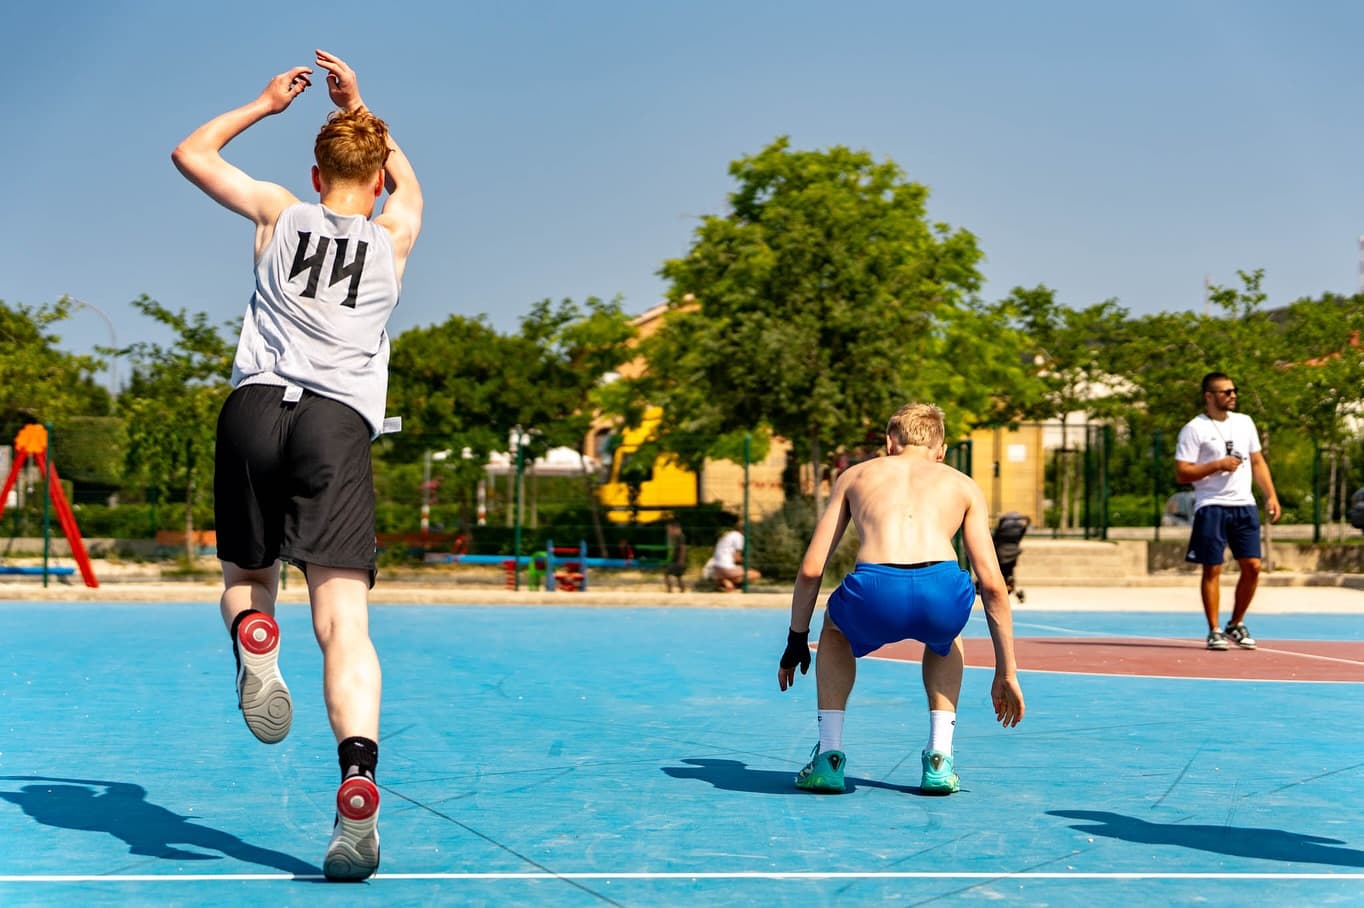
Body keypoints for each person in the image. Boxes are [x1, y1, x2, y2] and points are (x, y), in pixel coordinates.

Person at [172, 49, 423, 881]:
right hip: (336, 424)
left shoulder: (279, 211)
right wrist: (365, 105)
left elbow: (191, 153)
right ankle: (356, 775)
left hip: (253, 408)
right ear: (377, 179)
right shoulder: (395, 234)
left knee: (249, 575)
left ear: (316, 173)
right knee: (343, 623)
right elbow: (410, 189)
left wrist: (263, 104)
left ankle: (252, 636)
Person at [777, 403, 1024, 795]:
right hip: (941, 588)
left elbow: (811, 569)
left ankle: (829, 755)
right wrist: (1006, 671)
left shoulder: (855, 476)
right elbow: (992, 584)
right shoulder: (962, 484)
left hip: (876, 588)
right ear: (940, 451)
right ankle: (940, 758)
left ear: (890, 442)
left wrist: (795, 638)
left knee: (835, 629)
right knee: (946, 636)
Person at [1174, 372, 1281, 651]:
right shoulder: (1194, 429)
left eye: (1234, 390)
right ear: (1209, 396)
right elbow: (1183, 473)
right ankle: (1214, 629)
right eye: (1226, 392)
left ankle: (1236, 622)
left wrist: (1270, 495)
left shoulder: (1245, 423)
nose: (1233, 395)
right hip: (1212, 506)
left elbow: (1257, 462)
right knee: (1213, 568)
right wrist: (1217, 465)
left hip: (1244, 505)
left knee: (1253, 567)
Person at [701, 519, 761, 591]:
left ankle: (725, 582)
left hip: (716, 567)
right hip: (727, 567)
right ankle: (729, 582)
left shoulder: (727, 535)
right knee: (756, 574)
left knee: (735, 572)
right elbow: (736, 558)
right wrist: (749, 561)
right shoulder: (739, 537)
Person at [664, 519, 687, 593]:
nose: (669, 532)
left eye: (670, 529)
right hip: (676, 560)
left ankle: (669, 590)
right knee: (678, 576)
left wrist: (681, 560)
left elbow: (683, 548)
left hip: (678, 560)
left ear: (675, 528)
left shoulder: (681, 537)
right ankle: (682, 590)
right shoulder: (677, 537)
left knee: (666, 573)